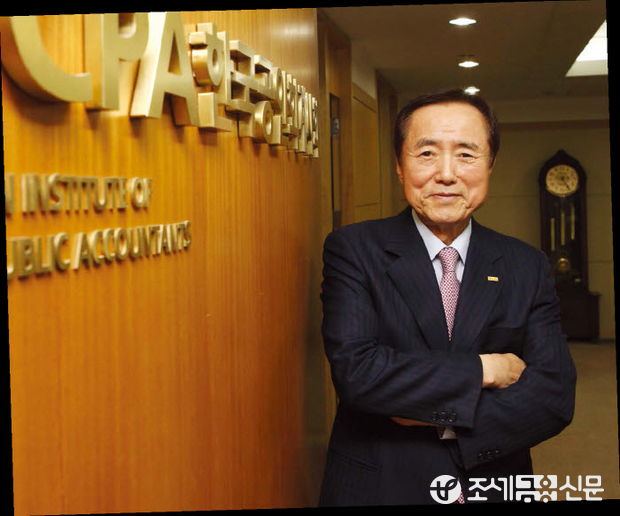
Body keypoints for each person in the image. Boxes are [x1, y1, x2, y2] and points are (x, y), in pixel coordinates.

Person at [318, 88, 577, 505]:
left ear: (490, 164)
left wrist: (437, 420)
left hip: (492, 482)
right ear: (399, 166)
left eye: (466, 154)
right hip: (381, 484)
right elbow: (359, 374)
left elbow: (553, 397)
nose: (446, 173)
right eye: (426, 153)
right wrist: (484, 370)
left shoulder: (525, 264)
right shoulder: (354, 249)